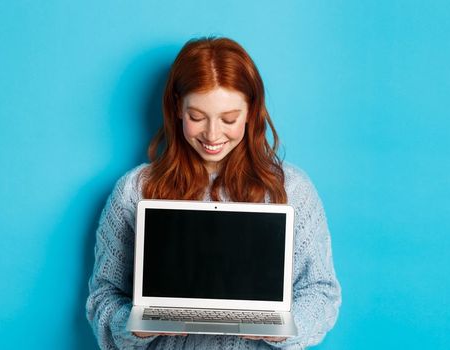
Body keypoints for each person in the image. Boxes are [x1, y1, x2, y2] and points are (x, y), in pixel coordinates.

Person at [86, 37, 341, 349]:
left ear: (251, 111)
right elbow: (104, 294)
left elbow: (321, 290)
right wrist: (134, 326)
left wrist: (286, 329)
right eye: (197, 117)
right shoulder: (135, 190)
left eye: (229, 119)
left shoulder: (291, 189)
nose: (212, 134)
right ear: (177, 106)